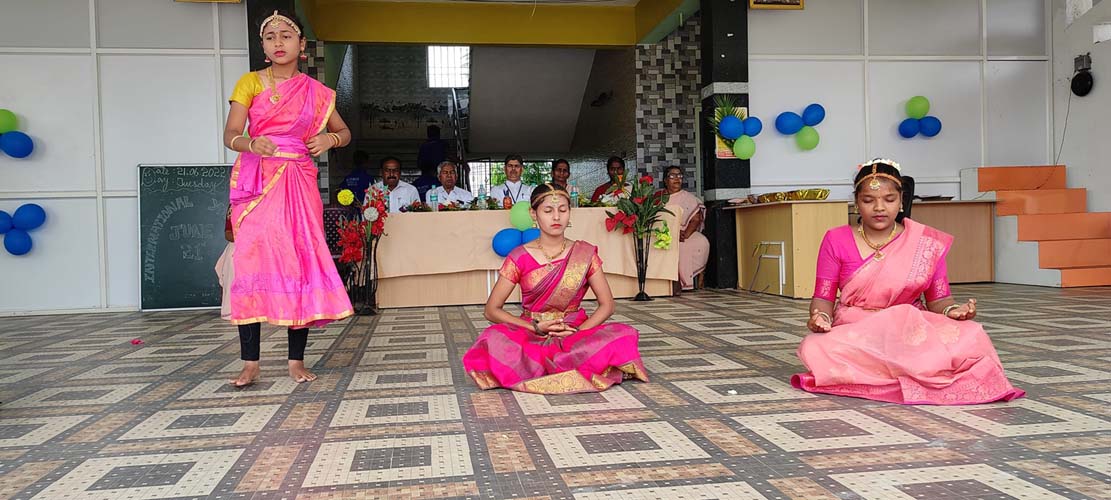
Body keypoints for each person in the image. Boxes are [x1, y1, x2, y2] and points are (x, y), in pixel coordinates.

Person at [792, 159, 1024, 405]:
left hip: (910, 329)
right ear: (857, 202)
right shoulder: (836, 239)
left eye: (889, 199)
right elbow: (823, 297)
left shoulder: (925, 242)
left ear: (901, 201)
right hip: (858, 328)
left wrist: (953, 311)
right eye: (868, 200)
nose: (879, 208)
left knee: (972, 334)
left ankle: (888, 372)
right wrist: (821, 318)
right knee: (814, 346)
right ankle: (911, 371)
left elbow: (939, 300)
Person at [222, 10, 353, 387]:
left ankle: (296, 360)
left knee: (299, 261)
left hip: (299, 180)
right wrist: (250, 143)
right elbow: (230, 133)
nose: (278, 43)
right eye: (270, 37)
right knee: (251, 262)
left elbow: (344, 132)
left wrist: (330, 138)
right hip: (258, 182)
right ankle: (250, 363)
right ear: (263, 46)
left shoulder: (317, 92)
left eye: (286, 36)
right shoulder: (250, 82)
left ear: (301, 44)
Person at [463, 183, 648, 393]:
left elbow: (607, 305)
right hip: (531, 330)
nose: (556, 217)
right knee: (493, 338)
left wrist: (577, 332)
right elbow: (491, 310)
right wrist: (535, 327)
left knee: (623, 335)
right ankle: (569, 364)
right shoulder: (519, 256)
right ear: (533, 214)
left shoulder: (585, 253)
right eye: (548, 211)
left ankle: (542, 365)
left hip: (574, 330)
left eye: (562, 210)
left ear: (570, 212)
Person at [662, 166, 708, 290]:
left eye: (679, 176)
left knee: (691, 244)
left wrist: (685, 234)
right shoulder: (659, 198)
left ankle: (683, 282)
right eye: (672, 176)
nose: (677, 179)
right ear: (665, 180)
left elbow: (696, 219)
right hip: (664, 233)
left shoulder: (689, 198)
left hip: (686, 233)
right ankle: (668, 282)